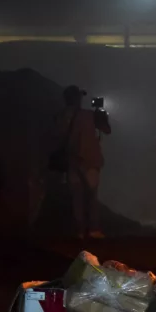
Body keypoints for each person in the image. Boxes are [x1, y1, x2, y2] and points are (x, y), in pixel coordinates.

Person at [53, 85, 111, 240]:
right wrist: (101, 113)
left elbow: (56, 138)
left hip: (71, 161)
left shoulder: (59, 117)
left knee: (76, 198)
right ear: (78, 99)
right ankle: (93, 230)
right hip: (90, 160)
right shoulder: (88, 115)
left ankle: (79, 231)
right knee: (91, 197)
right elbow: (106, 129)